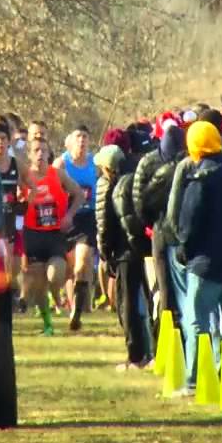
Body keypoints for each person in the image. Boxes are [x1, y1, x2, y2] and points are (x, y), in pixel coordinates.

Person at [175, 121, 222, 393]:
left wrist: (185, 249)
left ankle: (195, 380)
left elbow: (188, 223)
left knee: (197, 322)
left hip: (205, 265)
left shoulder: (200, 180)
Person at [94, 144, 153, 369]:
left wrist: (105, 252)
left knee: (126, 303)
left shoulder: (108, 187)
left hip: (123, 253)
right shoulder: (135, 181)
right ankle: (152, 351)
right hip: (143, 248)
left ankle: (135, 354)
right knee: (149, 301)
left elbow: (104, 225)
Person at [20, 138, 83, 336]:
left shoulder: (58, 174)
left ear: (49, 154)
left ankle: (59, 295)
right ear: (30, 155)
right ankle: (48, 325)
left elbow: (79, 194)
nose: (40, 154)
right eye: (36, 150)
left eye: (44, 151)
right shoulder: (24, 176)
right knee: (38, 283)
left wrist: (70, 215)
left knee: (55, 275)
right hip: (32, 234)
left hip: (55, 234)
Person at [133, 122, 188, 325]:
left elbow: (140, 199)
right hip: (167, 230)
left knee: (167, 288)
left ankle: (169, 331)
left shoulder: (150, 162)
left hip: (167, 230)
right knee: (165, 287)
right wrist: (151, 224)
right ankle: (167, 334)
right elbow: (140, 201)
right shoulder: (150, 162)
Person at [55, 128, 97, 330]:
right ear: (69, 142)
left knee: (83, 262)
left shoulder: (94, 164)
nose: (82, 141)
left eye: (85, 137)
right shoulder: (61, 164)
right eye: (78, 137)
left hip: (86, 219)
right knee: (67, 270)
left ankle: (77, 312)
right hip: (64, 220)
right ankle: (68, 301)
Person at [0, 123, 24, 302]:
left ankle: (7, 297)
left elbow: (30, 184)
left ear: (9, 141)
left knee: (8, 258)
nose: (0, 143)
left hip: (9, 217)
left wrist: (24, 198)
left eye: (3, 139)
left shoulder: (15, 163)